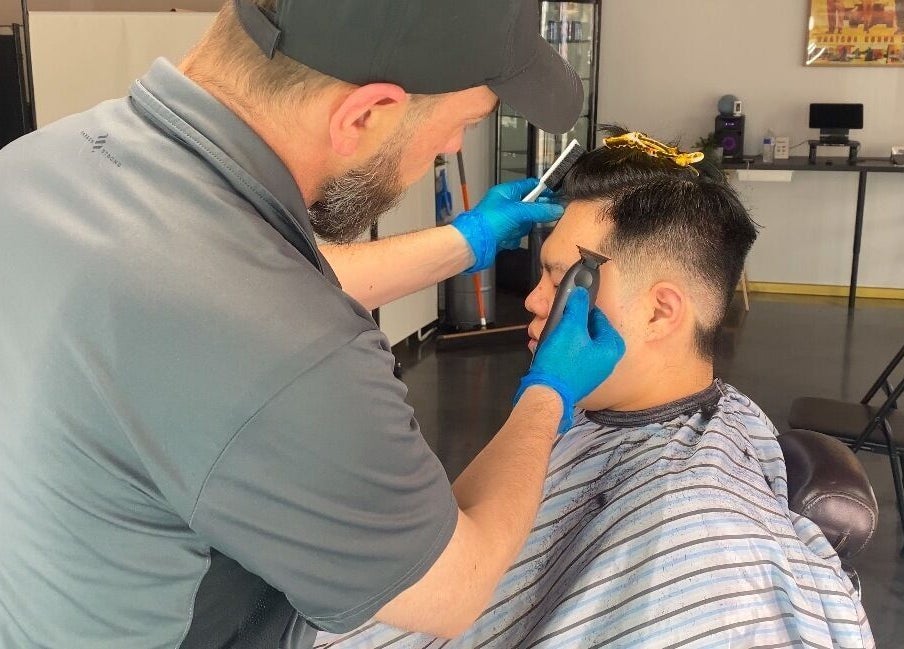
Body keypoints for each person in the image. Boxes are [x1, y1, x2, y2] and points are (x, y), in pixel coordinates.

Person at [0, 1, 626, 648]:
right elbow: (457, 587)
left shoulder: (37, 164)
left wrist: (467, 240)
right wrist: (550, 388)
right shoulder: (288, 353)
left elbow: (245, 278)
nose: (450, 149)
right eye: (462, 125)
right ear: (363, 115)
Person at [313, 128, 876, 648]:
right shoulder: (584, 413)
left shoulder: (706, 543)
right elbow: (457, 540)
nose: (534, 301)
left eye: (561, 279)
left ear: (660, 312)